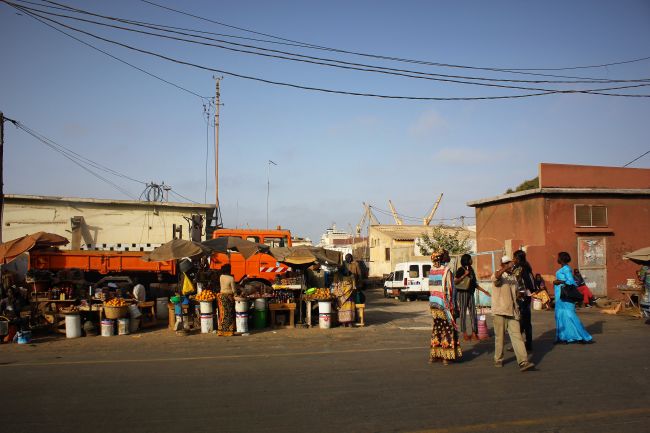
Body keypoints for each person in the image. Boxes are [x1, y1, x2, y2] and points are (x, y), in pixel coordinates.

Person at [492, 256, 535, 372]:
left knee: (517, 336)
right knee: (500, 338)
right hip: (500, 310)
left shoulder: (514, 278)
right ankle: (498, 359)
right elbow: (496, 278)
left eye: (510, 263)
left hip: (512, 311)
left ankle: (523, 361)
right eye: (506, 263)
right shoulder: (498, 274)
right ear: (502, 265)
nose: (510, 265)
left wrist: (523, 295)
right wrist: (505, 268)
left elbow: (517, 293)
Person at [428, 249, 462, 366]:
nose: (448, 257)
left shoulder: (432, 270)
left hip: (434, 304)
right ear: (443, 258)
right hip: (444, 305)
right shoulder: (447, 271)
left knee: (437, 329)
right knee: (448, 329)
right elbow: (452, 289)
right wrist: (454, 306)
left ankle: (435, 355)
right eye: (446, 255)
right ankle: (446, 357)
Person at [553, 252, 593, 344]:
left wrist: (558, 281)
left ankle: (583, 336)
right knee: (560, 316)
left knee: (571, 316)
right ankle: (563, 337)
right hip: (560, 297)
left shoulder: (566, 269)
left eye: (558, 257)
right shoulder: (563, 268)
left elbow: (571, 282)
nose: (557, 259)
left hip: (565, 296)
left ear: (562, 258)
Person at [454, 254, 487, 341]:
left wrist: (484, 291)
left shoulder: (471, 270)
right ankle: (464, 333)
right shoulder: (461, 270)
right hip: (462, 294)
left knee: (473, 313)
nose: (471, 261)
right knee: (463, 314)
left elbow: (474, 283)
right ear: (467, 260)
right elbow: (455, 281)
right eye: (470, 259)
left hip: (470, 293)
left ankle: (474, 333)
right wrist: (464, 275)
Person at [512, 250, 535, 352]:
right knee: (526, 321)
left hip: (521, 297)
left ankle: (519, 344)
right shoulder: (527, 266)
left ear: (517, 258)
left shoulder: (519, 268)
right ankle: (528, 344)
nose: (513, 260)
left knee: (520, 320)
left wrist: (518, 295)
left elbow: (520, 283)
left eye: (514, 258)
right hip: (528, 296)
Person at [216, 265, 236, 336]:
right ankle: (229, 332)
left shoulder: (221, 277)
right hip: (228, 297)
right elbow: (234, 290)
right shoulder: (231, 278)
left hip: (221, 297)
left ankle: (221, 331)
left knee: (222, 314)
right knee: (229, 314)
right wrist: (236, 294)